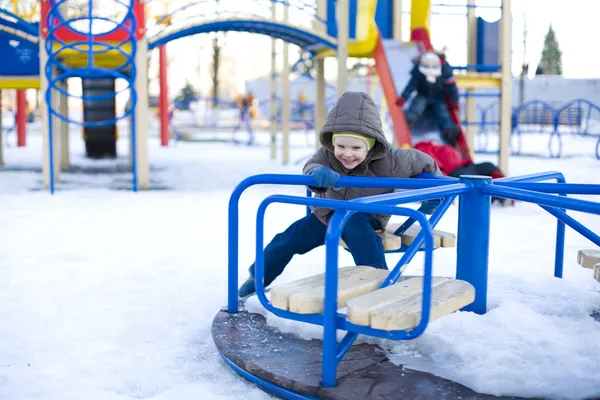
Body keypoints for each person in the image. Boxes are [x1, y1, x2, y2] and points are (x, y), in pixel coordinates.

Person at [238, 91, 442, 297]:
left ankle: (380, 284)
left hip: (365, 215)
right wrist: (318, 174)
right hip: (326, 214)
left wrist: (436, 194)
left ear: (371, 144)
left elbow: (425, 162)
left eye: (356, 147)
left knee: (359, 231)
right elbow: (312, 165)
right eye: (341, 146)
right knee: (287, 239)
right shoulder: (327, 155)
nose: (347, 153)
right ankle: (258, 277)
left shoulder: (392, 160)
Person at [396, 51, 461, 145]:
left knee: (442, 112)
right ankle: (407, 122)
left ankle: (449, 130)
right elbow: (411, 86)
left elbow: (452, 88)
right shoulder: (418, 71)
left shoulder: (446, 71)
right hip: (423, 94)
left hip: (439, 96)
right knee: (417, 106)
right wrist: (403, 98)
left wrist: (454, 102)